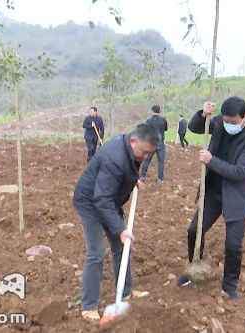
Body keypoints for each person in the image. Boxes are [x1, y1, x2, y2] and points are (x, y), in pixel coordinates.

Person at [177, 97, 245, 300]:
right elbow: (195, 127)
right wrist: (203, 114)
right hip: (213, 190)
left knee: (233, 244)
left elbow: (241, 172)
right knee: (193, 230)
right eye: (226, 121)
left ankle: (230, 286)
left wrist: (210, 160)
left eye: (233, 122)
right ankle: (194, 268)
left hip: (236, 193)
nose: (229, 125)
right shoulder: (221, 121)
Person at [73, 123, 159, 322]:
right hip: (91, 202)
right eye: (144, 152)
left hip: (108, 199)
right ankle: (89, 306)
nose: (145, 157)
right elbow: (101, 199)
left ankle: (126, 291)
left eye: (150, 154)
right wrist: (120, 228)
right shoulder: (115, 157)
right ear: (133, 141)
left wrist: (133, 179)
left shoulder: (131, 149)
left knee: (122, 246)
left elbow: (127, 169)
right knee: (96, 252)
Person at [140, 105, 168, 183]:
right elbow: (166, 129)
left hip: (151, 143)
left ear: (152, 111)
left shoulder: (148, 121)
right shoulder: (163, 120)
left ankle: (142, 176)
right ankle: (160, 179)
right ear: (159, 111)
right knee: (161, 162)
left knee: (146, 160)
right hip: (161, 143)